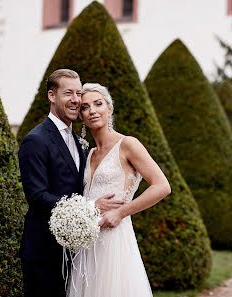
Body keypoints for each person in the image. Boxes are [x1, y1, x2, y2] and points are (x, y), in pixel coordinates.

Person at [18, 70, 121, 297]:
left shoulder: (79, 141)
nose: (75, 99)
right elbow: (36, 196)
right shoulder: (35, 140)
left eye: (78, 93)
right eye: (68, 93)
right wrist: (90, 206)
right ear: (51, 96)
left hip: (77, 253)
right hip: (44, 252)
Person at [67, 83, 171, 297]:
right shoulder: (88, 154)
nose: (92, 110)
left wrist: (120, 213)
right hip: (88, 243)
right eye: (85, 107)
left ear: (109, 109)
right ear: (82, 116)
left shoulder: (128, 144)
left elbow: (162, 186)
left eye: (98, 104)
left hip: (115, 239)